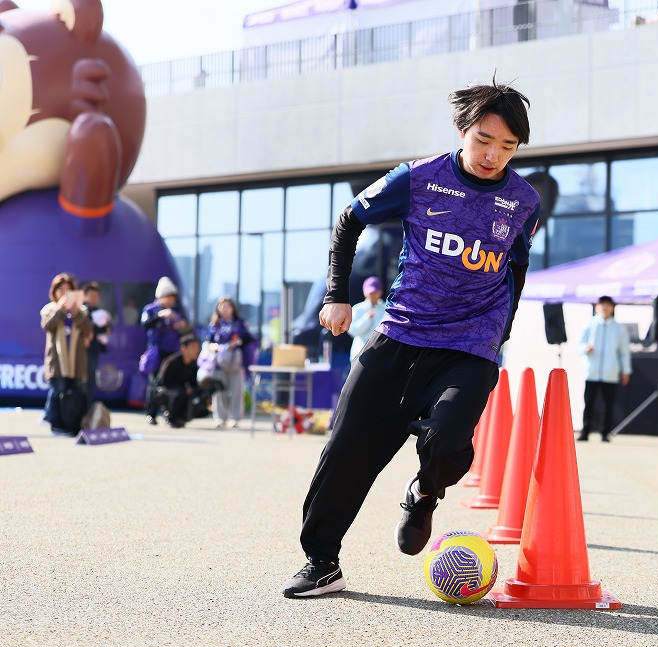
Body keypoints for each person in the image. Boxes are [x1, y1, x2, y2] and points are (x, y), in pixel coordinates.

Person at [282, 77, 540, 598]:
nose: (494, 156)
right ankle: (322, 561)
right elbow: (349, 219)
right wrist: (337, 295)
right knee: (346, 449)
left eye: (508, 147)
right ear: (463, 131)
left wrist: (500, 337)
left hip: (470, 346)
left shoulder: (525, 202)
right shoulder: (418, 178)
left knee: (447, 444)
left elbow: (517, 268)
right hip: (401, 333)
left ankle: (424, 492)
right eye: (485, 141)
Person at [40, 274, 93, 435]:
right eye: (60, 290)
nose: (64, 294)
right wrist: (61, 309)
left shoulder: (82, 311)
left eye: (68, 291)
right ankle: (54, 423)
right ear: (54, 292)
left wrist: (75, 311)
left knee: (75, 391)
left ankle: (71, 425)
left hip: (76, 360)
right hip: (57, 360)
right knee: (58, 390)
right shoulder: (49, 309)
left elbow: (87, 330)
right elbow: (48, 326)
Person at [577, 295, 632, 443]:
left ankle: (604, 432)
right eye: (602, 305)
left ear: (613, 308)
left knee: (608, 404)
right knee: (589, 403)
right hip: (592, 371)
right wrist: (584, 348)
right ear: (597, 307)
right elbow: (579, 344)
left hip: (610, 372)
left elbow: (624, 351)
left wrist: (625, 370)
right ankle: (585, 431)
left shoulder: (619, 328)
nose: (605, 308)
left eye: (608, 305)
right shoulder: (589, 325)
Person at [141, 276, 190, 425]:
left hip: (172, 352)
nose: (171, 300)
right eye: (168, 297)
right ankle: (151, 413)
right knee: (154, 383)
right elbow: (145, 325)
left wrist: (181, 325)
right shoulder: (150, 309)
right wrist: (159, 316)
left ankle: (170, 413)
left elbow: (186, 331)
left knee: (171, 383)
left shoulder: (176, 312)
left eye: (173, 297)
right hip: (157, 351)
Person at [205, 295, 253, 429]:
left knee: (237, 390)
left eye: (228, 306)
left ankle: (235, 418)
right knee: (219, 391)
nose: (225, 309)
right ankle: (220, 418)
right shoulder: (214, 324)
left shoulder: (239, 323)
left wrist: (238, 342)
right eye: (222, 306)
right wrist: (213, 346)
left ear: (233, 308)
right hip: (219, 362)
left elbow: (249, 339)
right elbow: (208, 341)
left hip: (235, 361)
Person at [154, 334, 202, 428]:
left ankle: (182, 417)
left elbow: (193, 383)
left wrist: (192, 389)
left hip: (181, 390)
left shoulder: (193, 364)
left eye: (197, 347)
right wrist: (184, 388)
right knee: (178, 393)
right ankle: (170, 418)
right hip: (163, 391)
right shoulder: (172, 362)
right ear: (184, 348)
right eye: (193, 347)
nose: (196, 350)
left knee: (199, 394)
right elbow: (163, 382)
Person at [80, 281, 112, 405]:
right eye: (91, 296)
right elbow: (88, 329)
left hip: (94, 349)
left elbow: (109, 327)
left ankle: (88, 407)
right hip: (81, 350)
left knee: (90, 379)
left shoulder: (100, 311)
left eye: (96, 296)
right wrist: (101, 329)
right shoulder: (80, 310)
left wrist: (104, 329)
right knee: (82, 379)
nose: (94, 299)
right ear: (85, 295)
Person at [347, 276, 387, 362]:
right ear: (365, 292)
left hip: (380, 354)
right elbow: (352, 330)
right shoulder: (358, 308)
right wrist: (366, 319)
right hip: (359, 353)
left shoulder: (386, 309)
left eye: (375, 292)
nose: (373, 295)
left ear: (380, 292)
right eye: (370, 292)